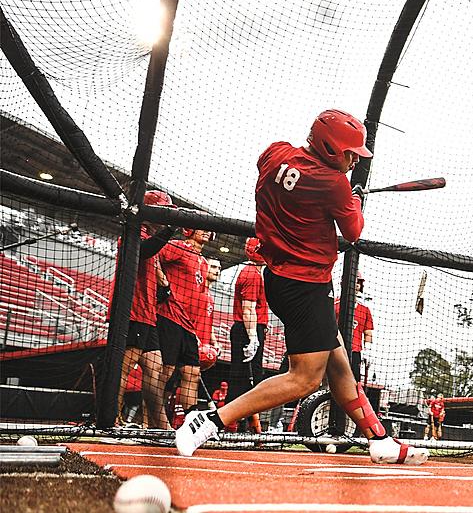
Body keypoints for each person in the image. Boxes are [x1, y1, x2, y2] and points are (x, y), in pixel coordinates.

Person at [176, 109, 428, 464]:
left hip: (280, 278)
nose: (354, 160)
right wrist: (351, 199)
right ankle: (211, 420)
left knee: (339, 365)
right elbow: (354, 231)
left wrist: (332, 193)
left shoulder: (276, 151)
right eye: (349, 153)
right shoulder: (334, 185)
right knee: (304, 379)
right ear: (328, 147)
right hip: (305, 286)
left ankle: (379, 438)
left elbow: (285, 176)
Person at [111, 189, 175, 429]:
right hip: (131, 312)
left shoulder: (151, 240)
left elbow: (154, 270)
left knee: (155, 370)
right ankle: (112, 420)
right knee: (123, 369)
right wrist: (170, 231)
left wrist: (164, 288)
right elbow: (144, 251)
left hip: (148, 315)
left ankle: (156, 426)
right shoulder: (134, 232)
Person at [156, 228, 212, 427]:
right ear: (189, 230)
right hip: (170, 316)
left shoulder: (204, 262)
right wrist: (163, 284)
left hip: (189, 326)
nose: (207, 232)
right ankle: (152, 419)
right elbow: (154, 257)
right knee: (166, 371)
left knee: (192, 373)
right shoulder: (178, 247)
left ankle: (189, 424)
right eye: (201, 228)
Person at [228, 238, 268, 412]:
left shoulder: (256, 272)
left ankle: (241, 423)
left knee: (247, 377)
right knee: (244, 377)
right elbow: (248, 309)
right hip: (248, 329)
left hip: (250, 327)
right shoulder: (252, 274)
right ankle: (233, 423)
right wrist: (253, 338)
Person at [334, 271, 373, 384]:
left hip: (355, 352)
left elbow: (368, 333)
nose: (356, 285)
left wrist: (368, 352)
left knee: (353, 383)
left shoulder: (365, 309)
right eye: (353, 282)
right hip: (335, 348)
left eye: (358, 282)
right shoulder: (335, 304)